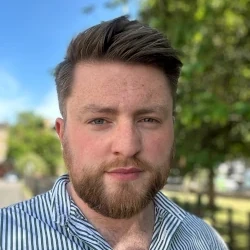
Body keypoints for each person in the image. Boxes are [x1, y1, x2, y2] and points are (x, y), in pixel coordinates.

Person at [0, 16, 228, 250]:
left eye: (149, 119)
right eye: (99, 120)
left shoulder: (207, 240)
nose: (128, 146)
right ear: (62, 134)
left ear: (172, 128)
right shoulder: (7, 236)